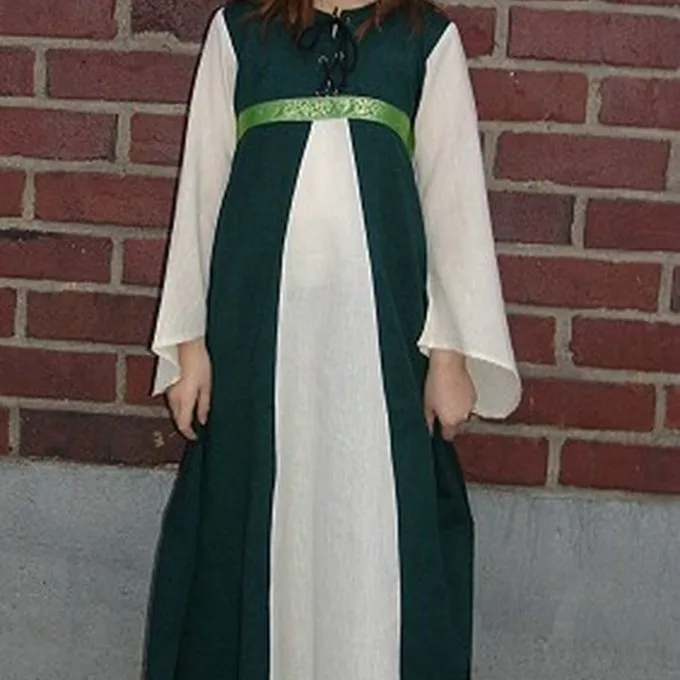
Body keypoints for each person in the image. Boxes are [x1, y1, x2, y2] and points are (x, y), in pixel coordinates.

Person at [144, 0, 521, 677]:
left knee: (372, 520)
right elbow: (202, 184)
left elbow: (453, 196)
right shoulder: (241, 35)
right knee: (259, 522)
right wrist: (189, 345)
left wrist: (451, 354)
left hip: (381, 353)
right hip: (255, 345)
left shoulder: (423, 42)